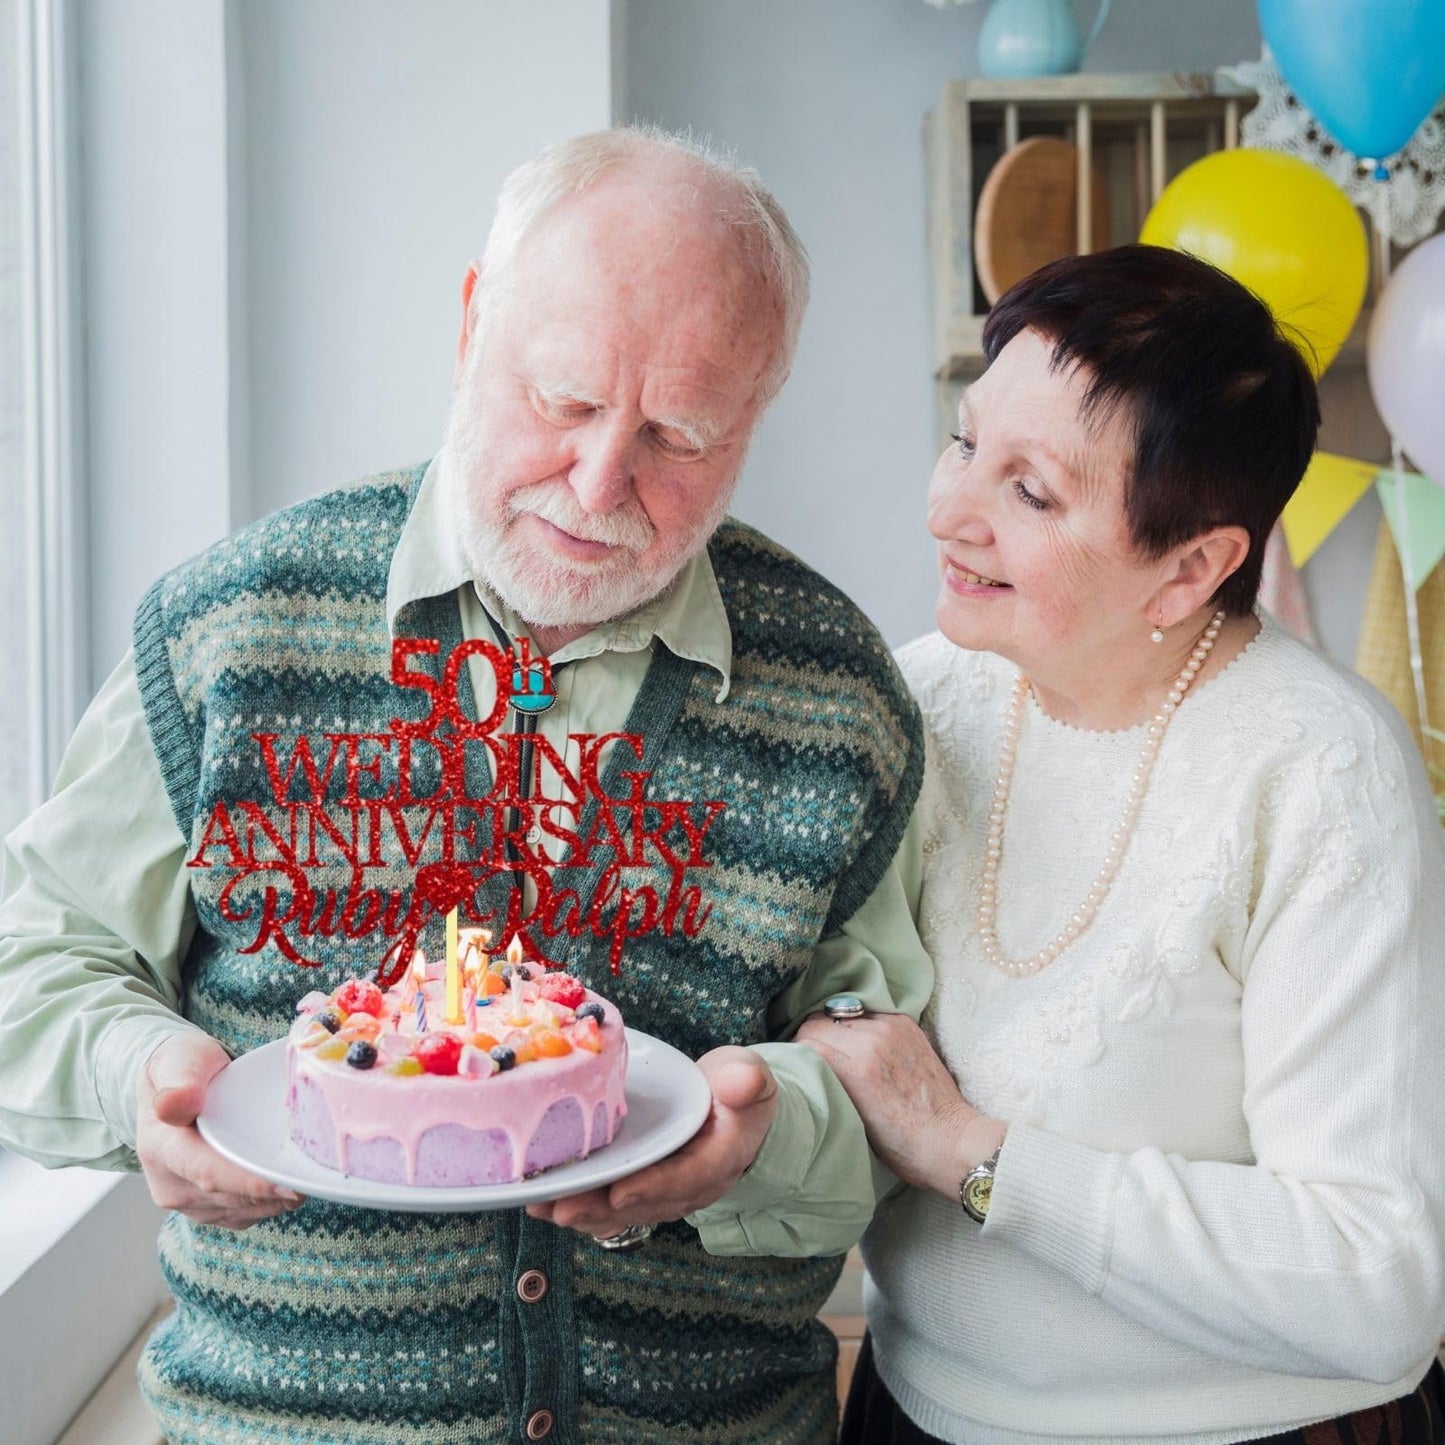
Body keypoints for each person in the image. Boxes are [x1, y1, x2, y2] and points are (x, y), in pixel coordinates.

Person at [0, 127, 933, 1444]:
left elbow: (901, 1103)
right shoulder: (232, 629)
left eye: (679, 432)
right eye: (561, 399)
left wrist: (763, 1136)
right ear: (470, 325)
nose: (601, 481)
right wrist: (138, 1078)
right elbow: (33, 961)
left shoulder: (840, 699)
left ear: (755, 419)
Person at [799, 245, 1445, 1444]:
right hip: (914, 1413)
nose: (949, 511)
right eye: (962, 442)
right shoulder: (910, 697)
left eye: (1029, 491)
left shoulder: (1318, 769)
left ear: (1189, 567)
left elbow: (1377, 1283)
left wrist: (971, 1153)